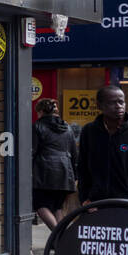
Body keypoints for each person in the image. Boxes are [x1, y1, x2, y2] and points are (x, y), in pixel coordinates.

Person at [31, 98, 77, 230]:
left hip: (44, 173)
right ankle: (62, 240)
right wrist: (74, 175)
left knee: (40, 205)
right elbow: (74, 153)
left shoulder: (37, 126)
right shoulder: (67, 127)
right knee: (58, 207)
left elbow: (32, 151)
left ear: (40, 111)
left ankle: (57, 238)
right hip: (65, 173)